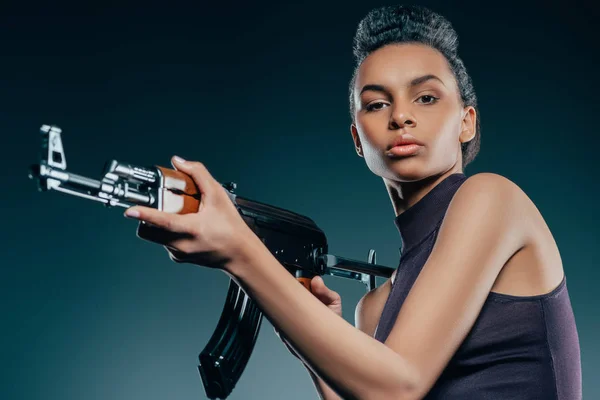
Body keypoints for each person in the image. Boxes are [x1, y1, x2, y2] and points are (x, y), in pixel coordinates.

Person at [124, 5, 582, 399]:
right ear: (357, 140)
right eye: (376, 104)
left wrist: (241, 252)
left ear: (467, 122)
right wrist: (306, 324)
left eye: (425, 97)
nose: (401, 115)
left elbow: (396, 389)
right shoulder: (376, 308)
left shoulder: (492, 198)